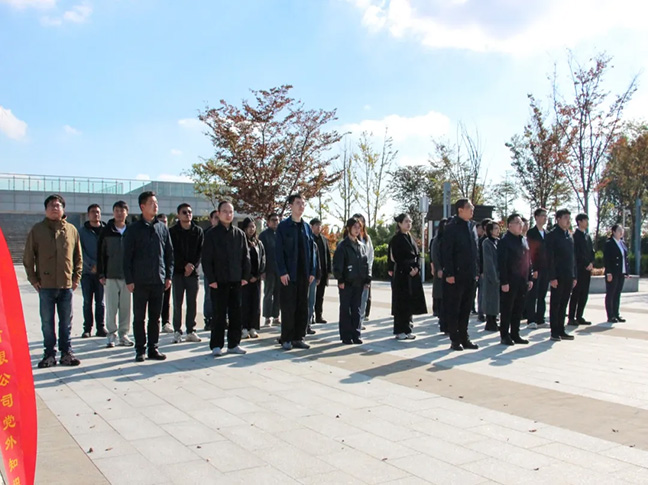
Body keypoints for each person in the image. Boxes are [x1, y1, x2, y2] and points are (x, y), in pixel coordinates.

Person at [24, 194, 83, 368]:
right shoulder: (37, 230)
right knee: (47, 323)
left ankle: (66, 353)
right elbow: (28, 257)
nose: (54, 208)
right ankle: (49, 354)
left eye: (58, 205)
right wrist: (33, 279)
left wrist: (76, 278)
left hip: (66, 286)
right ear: (46, 210)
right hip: (46, 286)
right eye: (51, 205)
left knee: (66, 323)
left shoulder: (71, 230)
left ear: (63, 209)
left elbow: (78, 257)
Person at [123, 191, 173, 362]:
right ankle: (140, 349)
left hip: (158, 279)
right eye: (152, 203)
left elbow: (169, 254)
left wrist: (168, 276)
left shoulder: (162, 228)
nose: (155, 205)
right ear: (142, 206)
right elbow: (127, 257)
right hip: (140, 281)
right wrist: (129, 279)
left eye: (156, 202)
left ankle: (153, 348)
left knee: (155, 317)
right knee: (139, 317)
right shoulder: (133, 229)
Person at [202, 201, 250, 356]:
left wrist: (245, 276)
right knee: (219, 315)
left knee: (236, 314)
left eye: (230, 211)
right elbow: (206, 259)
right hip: (219, 281)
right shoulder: (211, 234)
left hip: (236, 280)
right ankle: (216, 345)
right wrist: (211, 279)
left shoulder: (239, 234)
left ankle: (234, 344)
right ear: (218, 213)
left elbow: (245, 257)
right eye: (225, 211)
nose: (228, 214)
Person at [275, 194, 317, 350]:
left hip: (303, 274)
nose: (301, 206)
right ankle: (286, 338)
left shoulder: (306, 227)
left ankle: (298, 337)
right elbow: (278, 251)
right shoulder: (283, 226)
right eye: (298, 203)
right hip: (288, 274)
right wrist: (282, 271)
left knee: (302, 307)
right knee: (288, 307)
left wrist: (312, 271)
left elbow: (312, 251)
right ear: (290, 206)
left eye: (303, 203)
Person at [442, 199, 480, 351]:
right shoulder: (451, 227)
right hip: (456, 275)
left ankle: (465, 338)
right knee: (454, 308)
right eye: (469, 207)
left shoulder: (472, 226)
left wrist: (477, 271)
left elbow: (475, 251)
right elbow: (447, 252)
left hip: (470, 275)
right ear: (460, 210)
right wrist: (449, 273)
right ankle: (455, 339)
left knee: (466, 309)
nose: (472, 209)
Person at [97, 200, 133, 348]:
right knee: (111, 307)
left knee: (126, 307)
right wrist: (101, 273)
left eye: (122, 210)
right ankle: (111, 334)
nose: (119, 213)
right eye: (116, 210)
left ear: (127, 213)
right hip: (110, 275)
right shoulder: (106, 231)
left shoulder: (131, 231)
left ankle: (124, 334)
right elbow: (100, 253)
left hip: (127, 276)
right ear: (113, 213)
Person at [169, 203, 204, 344]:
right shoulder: (172, 232)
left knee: (192, 302)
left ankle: (191, 330)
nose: (187, 214)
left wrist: (192, 266)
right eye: (184, 212)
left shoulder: (198, 231)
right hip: (178, 273)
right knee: (177, 302)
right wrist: (184, 265)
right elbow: (172, 252)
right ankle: (177, 331)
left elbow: (200, 252)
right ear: (178, 215)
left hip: (193, 273)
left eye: (189, 212)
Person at [333, 217, 371, 344]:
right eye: (354, 227)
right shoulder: (342, 246)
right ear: (348, 228)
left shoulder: (361, 246)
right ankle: (346, 336)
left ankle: (356, 334)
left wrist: (367, 279)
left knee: (357, 309)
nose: (357, 230)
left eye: (359, 227)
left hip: (359, 283)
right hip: (346, 282)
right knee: (345, 309)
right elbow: (337, 265)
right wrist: (340, 279)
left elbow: (365, 263)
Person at [390, 213, 427, 340]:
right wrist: (408, 269)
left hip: (413, 274)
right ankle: (399, 330)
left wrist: (417, 267)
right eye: (406, 221)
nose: (409, 224)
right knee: (401, 303)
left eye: (410, 221)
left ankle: (408, 328)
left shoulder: (411, 238)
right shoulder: (396, 239)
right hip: (402, 275)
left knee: (410, 303)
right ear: (399, 223)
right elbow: (398, 258)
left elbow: (418, 255)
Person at [498, 214, 533, 345]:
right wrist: (504, 281)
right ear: (510, 225)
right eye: (517, 223)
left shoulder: (523, 240)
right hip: (510, 280)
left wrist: (530, 277)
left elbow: (528, 260)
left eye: (521, 223)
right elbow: (502, 263)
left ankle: (515, 333)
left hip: (522, 280)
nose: (520, 225)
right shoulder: (505, 241)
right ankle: (504, 335)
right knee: (507, 309)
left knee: (518, 309)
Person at [546, 208, 576, 342]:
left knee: (564, 303)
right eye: (565, 218)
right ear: (558, 219)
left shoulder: (569, 235)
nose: (568, 221)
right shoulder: (552, 235)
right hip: (557, 275)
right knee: (556, 304)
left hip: (568, 274)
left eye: (569, 218)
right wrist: (552, 277)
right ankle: (554, 331)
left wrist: (574, 275)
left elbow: (573, 257)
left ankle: (561, 329)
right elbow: (549, 258)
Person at [79, 203, 107, 338]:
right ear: (88, 214)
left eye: (98, 212)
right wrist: (91, 265)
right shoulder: (82, 232)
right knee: (87, 302)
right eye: (93, 212)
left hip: (102, 273)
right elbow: (80, 251)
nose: (95, 214)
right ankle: (87, 328)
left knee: (100, 302)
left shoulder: (106, 230)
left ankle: (100, 327)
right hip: (86, 273)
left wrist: (101, 267)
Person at [240, 217, 265, 339]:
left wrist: (258, 275)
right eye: (249, 227)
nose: (251, 229)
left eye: (253, 226)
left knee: (255, 303)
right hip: (244, 279)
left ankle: (253, 327)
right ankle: (243, 328)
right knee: (244, 303)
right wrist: (247, 276)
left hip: (256, 279)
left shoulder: (258, 243)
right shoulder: (240, 242)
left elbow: (263, 259)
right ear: (244, 228)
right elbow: (239, 260)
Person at [568, 213, 594, 326]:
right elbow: (576, 253)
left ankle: (579, 316)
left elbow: (592, 252)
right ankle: (571, 317)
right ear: (579, 221)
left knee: (584, 294)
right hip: (579, 269)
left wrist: (591, 263)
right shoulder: (575, 236)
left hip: (587, 270)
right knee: (576, 294)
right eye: (585, 220)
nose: (587, 223)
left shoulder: (587, 236)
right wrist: (585, 263)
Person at [525, 208, 549, 329]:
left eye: (546, 216)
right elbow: (530, 252)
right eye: (543, 215)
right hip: (536, 268)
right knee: (532, 295)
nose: (545, 218)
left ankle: (540, 318)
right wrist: (533, 269)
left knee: (542, 295)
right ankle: (531, 319)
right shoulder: (531, 233)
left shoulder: (547, 233)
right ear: (536, 217)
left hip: (546, 268)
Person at [604, 224, 630, 323]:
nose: (621, 232)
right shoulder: (609, 243)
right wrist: (608, 272)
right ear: (614, 232)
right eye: (619, 230)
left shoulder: (622, 243)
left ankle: (616, 314)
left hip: (621, 272)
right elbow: (607, 259)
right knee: (611, 293)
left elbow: (625, 258)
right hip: (613, 272)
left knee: (617, 293)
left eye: (622, 230)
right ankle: (610, 315)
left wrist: (627, 271)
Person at [259, 212, 281, 327]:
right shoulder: (263, 235)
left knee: (278, 294)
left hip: (280, 270)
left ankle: (276, 316)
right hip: (268, 270)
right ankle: (267, 317)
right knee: (268, 294)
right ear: (268, 222)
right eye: (273, 220)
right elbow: (261, 254)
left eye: (277, 220)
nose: (275, 222)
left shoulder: (281, 234)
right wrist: (262, 270)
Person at [353, 214, 374, 324]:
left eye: (361, 223)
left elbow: (370, 255)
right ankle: (353, 321)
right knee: (354, 298)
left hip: (365, 272)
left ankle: (360, 321)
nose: (359, 226)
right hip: (353, 274)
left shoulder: (367, 238)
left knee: (364, 298)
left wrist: (368, 270)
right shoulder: (350, 238)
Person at [311, 218, 332, 324]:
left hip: (323, 271)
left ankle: (319, 315)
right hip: (313, 272)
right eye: (316, 225)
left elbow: (327, 255)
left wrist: (329, 271)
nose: (319, 227)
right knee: (311, 295)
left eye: (320, 225)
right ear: (311, 226)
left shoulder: (323, 239)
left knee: (320, 295)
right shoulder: (309, 238)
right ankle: (310, 316)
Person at [481, 221, 501, 332]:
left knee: (496, 300)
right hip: (490, 275)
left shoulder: (498, 241)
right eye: (495, 228)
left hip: (498, 273)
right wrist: (493, 276)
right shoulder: (487, 243)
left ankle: (494, 320)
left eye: (498, 228)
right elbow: (489, 261)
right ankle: (490, 322)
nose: (498, 230)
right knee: (490, 299)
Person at [157, 213, 174, 334]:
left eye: (165, 221)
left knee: (166, 300)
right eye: (161, 221)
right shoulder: (154, 234)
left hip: (166, 272)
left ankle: (166, 322)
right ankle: (155, 321)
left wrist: (169, 274)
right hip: (153, 273)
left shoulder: (168, 234)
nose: (163, 223)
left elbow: (170, 255)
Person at [202, 210, 219, 331]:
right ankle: (208, 319)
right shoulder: (206, 234)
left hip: (223, 271)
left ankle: (223, 318)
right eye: (216, 218)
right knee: (209, 296)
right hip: (210, 271)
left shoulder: (227, 233)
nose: (218, 220)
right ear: (211, 219)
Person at [430, 218, 447, 332]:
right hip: (440, 272)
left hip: (449, 271)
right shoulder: (437, 240)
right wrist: (438, 268)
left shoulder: (450, 239)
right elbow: (434, 255)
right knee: (440, 295)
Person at [476, 218, 492, 322]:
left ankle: (490, 313)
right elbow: (479, 257)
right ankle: (481, 313)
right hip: (483, 271)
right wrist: (480, 271)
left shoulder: (494, 240)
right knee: (482, 292)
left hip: (492, 271)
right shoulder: (481, 241)